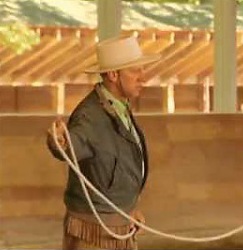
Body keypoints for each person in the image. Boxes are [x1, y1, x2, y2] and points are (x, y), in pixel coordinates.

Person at [46, 35, 161, 250]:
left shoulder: (119, 108)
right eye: (135, 71)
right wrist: (59, 142)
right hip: (94, 234)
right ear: (113, 74)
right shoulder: (89, 117)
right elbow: (71, 146)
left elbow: (116, 167)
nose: (143, 77)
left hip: (118, 227)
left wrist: (127, 208)